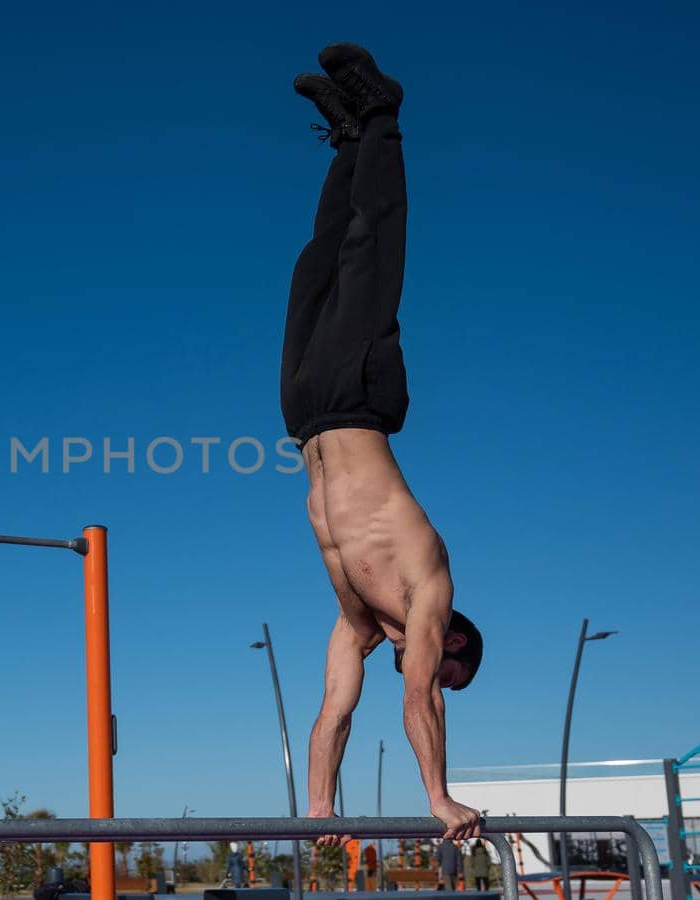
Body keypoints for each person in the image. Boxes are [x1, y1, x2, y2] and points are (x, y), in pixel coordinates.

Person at [281, 41, 486, 844]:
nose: (433, 671)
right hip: (360, 398)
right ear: (453, 642)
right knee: (371, 250)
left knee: (317, 266)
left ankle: (346, 142)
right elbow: (419, 700)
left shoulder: (355, 622)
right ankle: (383, 114)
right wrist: (440, 797)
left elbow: (335, 712)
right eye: (448, 668)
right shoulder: (425, 589)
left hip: (302, 414)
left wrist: (321, 810)